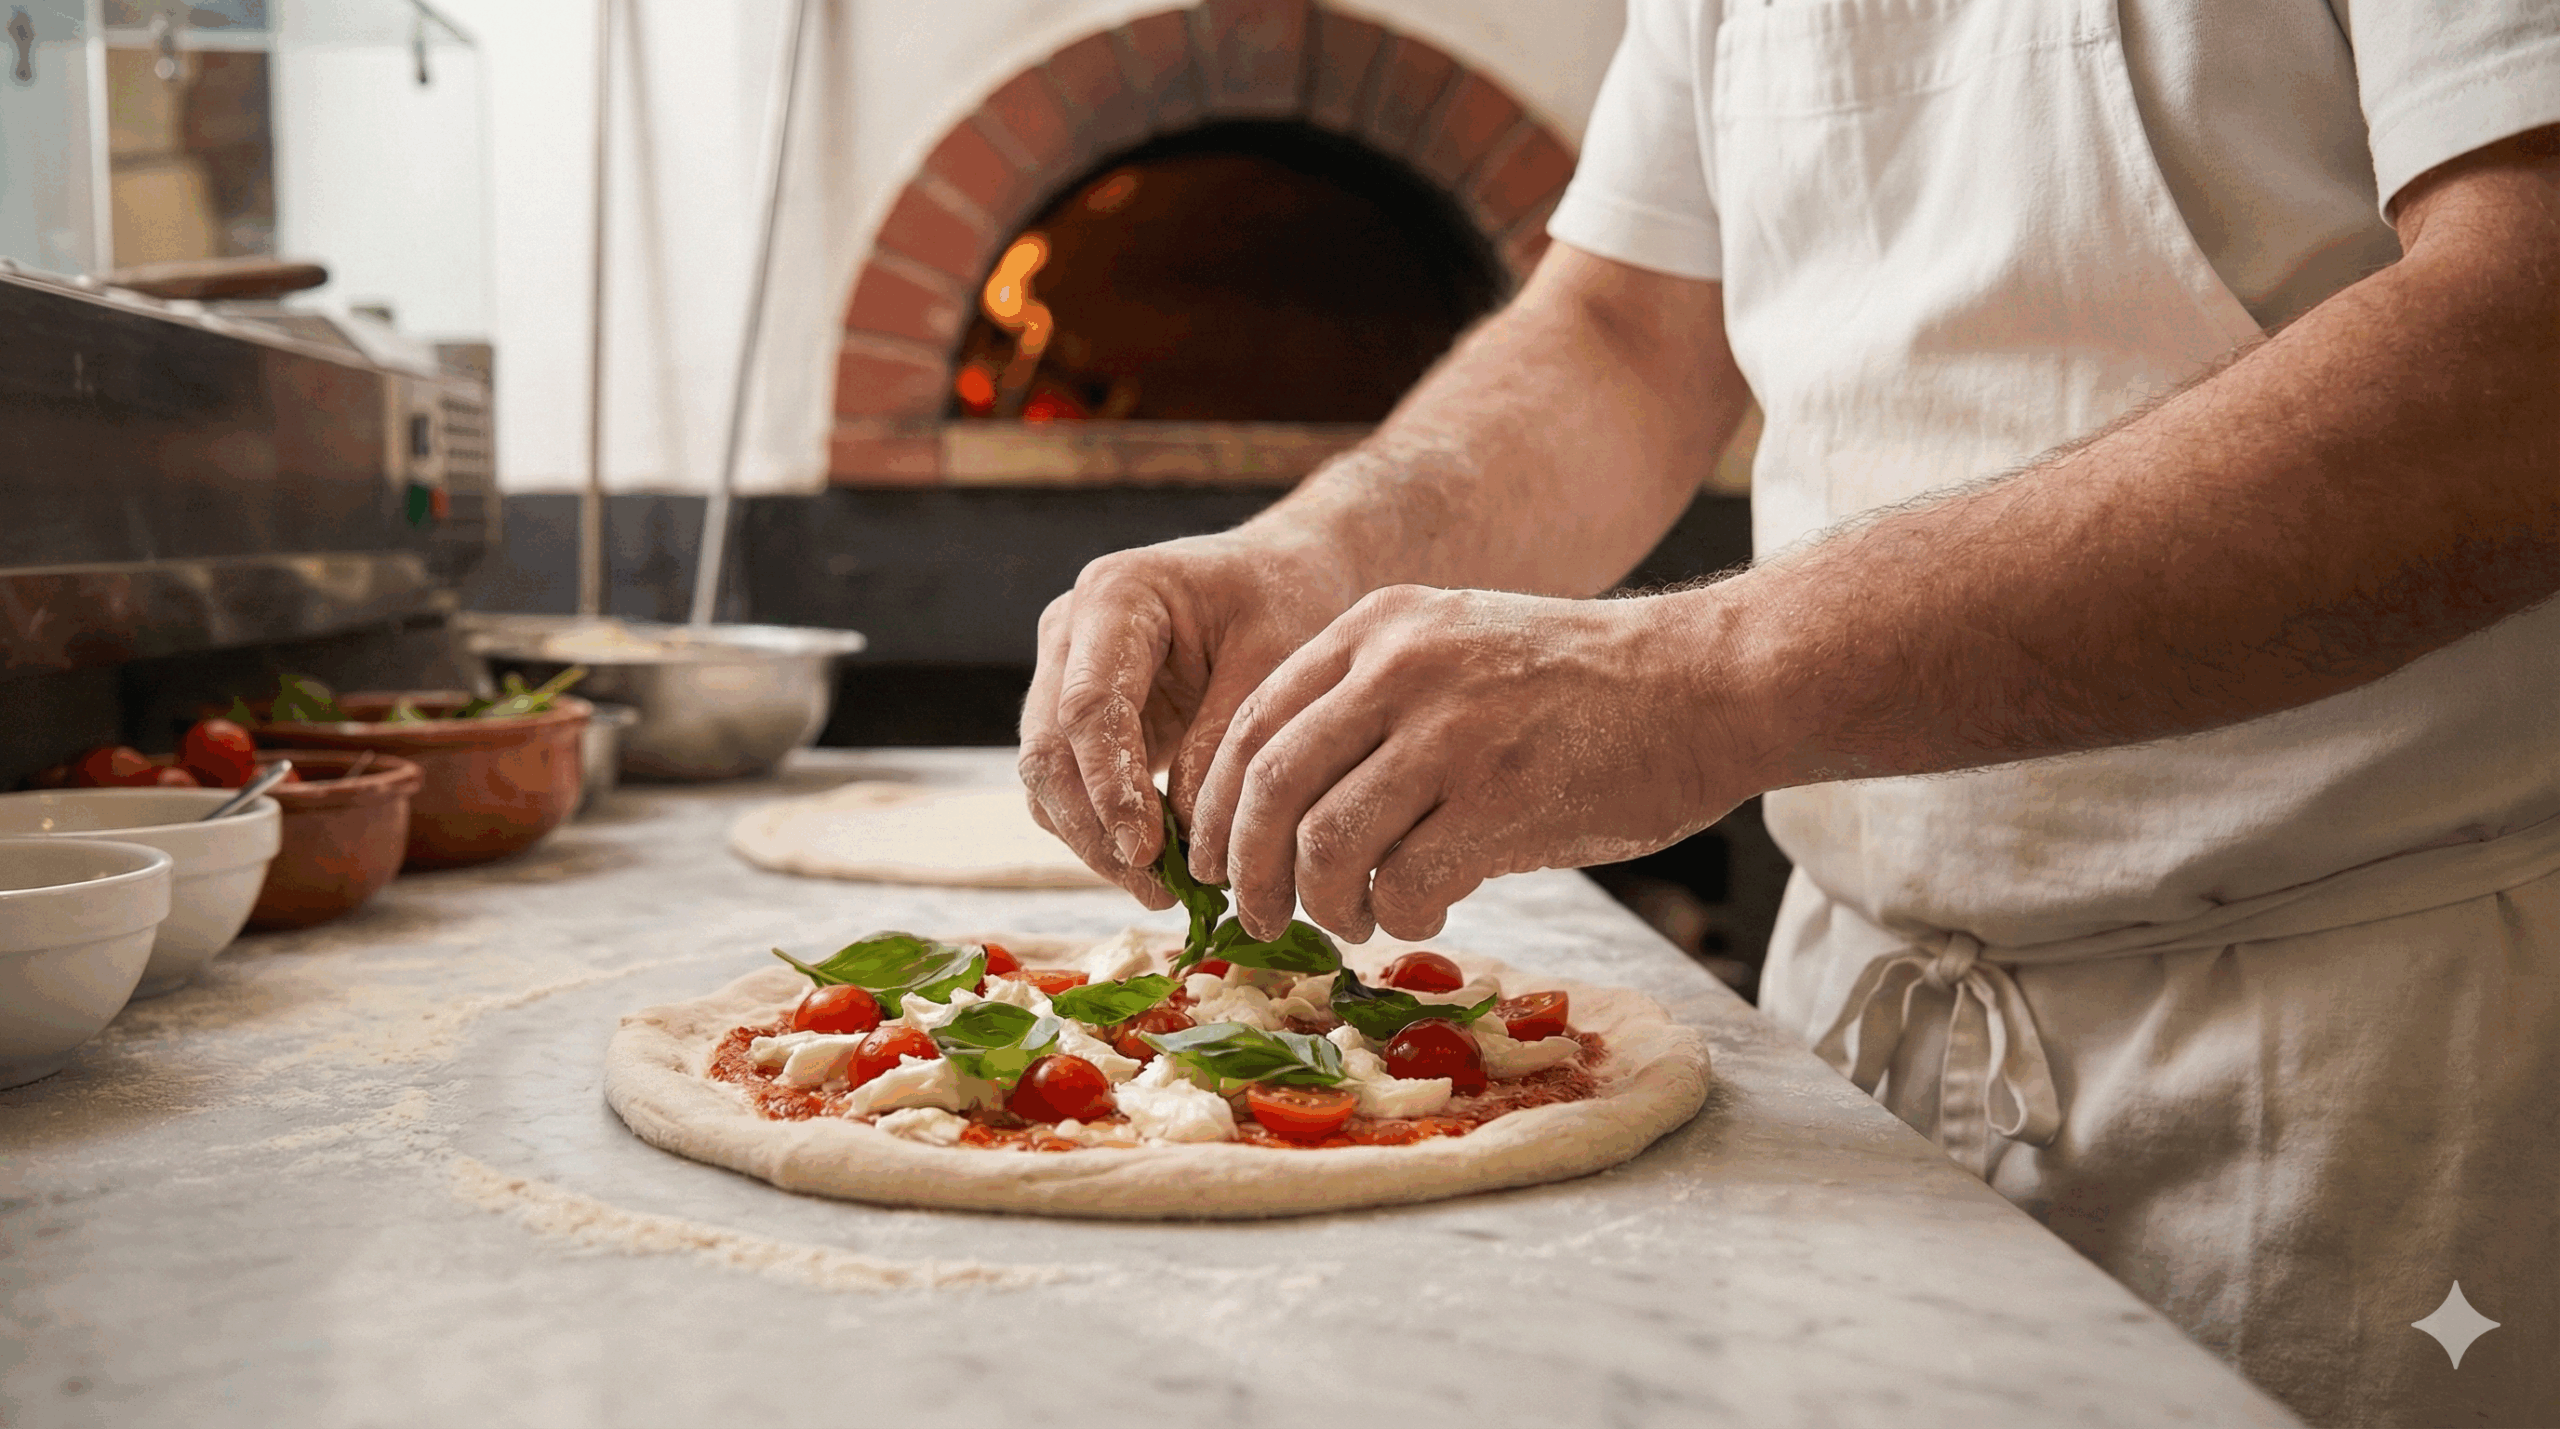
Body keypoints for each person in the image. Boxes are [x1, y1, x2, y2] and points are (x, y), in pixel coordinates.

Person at [1016, 1, 2559, 1422]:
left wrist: (1706, 686)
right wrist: (1301, 562)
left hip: (2367, 1076)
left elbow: (2526, 338)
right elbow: (1627, 331)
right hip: (1853, 1052)